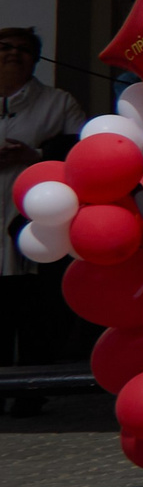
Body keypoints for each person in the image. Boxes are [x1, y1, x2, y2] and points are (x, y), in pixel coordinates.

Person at [0, 26, 85, 375]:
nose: (13, 54)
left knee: (33, 307)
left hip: (31, 220)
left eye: (23, 49)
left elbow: (80, 151)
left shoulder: (58, 101)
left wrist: (35, 156)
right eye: (5, 47)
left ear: (35, 60)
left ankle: (31, 392)